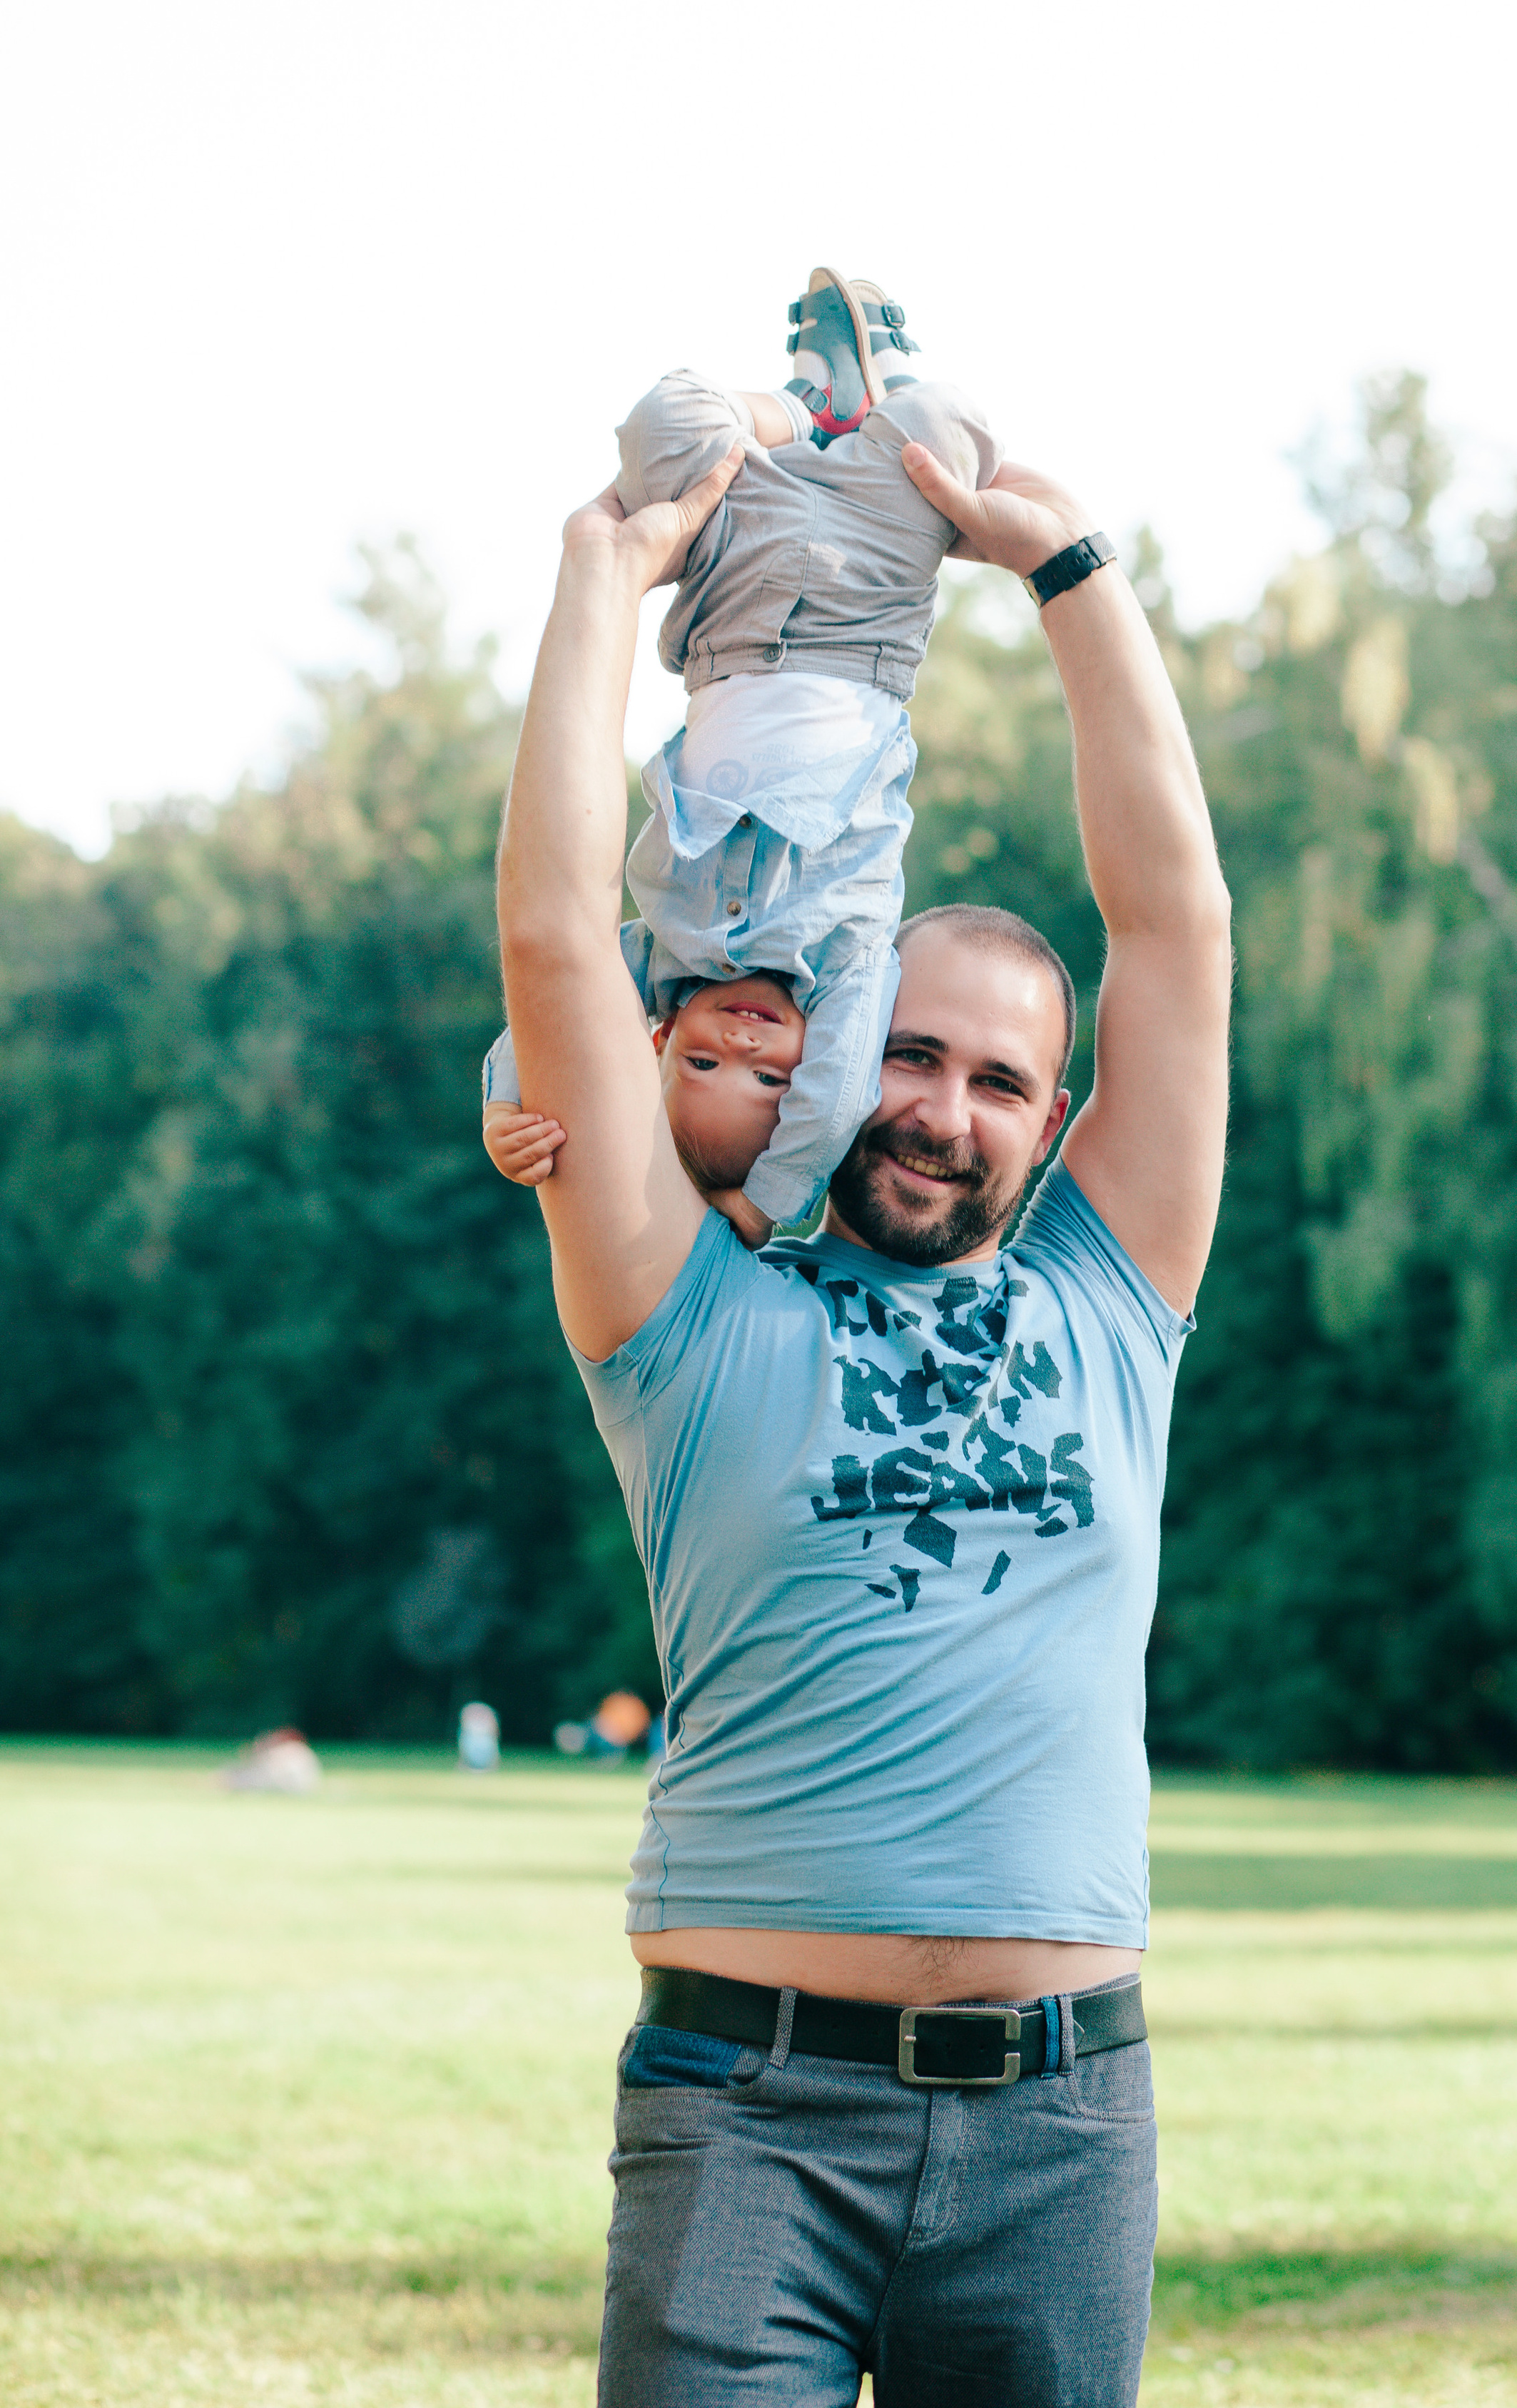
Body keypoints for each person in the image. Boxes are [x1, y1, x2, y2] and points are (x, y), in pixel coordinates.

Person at [496, 384, 1231, 2405]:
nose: (940, 1108)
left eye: (999, 1079)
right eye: (905, 1051)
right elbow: (559, 940)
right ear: (829, 1048)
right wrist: (598, 579)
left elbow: (1178, 925)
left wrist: (1064, 571)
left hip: (1063, 2130)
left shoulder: (1113, 1288)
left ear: (1055, 1119)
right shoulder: (685, 1304)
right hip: (746, 2110)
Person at [482, 268, 999, 1239]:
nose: (742, 1044)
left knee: (664, 419)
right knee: (953, 425)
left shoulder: (656, 956)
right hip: (864, 619)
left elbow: (548, 1005)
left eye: (704, 1064)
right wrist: (763, 1207)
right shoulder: (848, 968)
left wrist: (504, 1110)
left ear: (662, 1040)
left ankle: (806, 411)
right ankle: (881, 387)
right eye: (770, 1078)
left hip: (730, 600)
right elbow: (840, 1096)